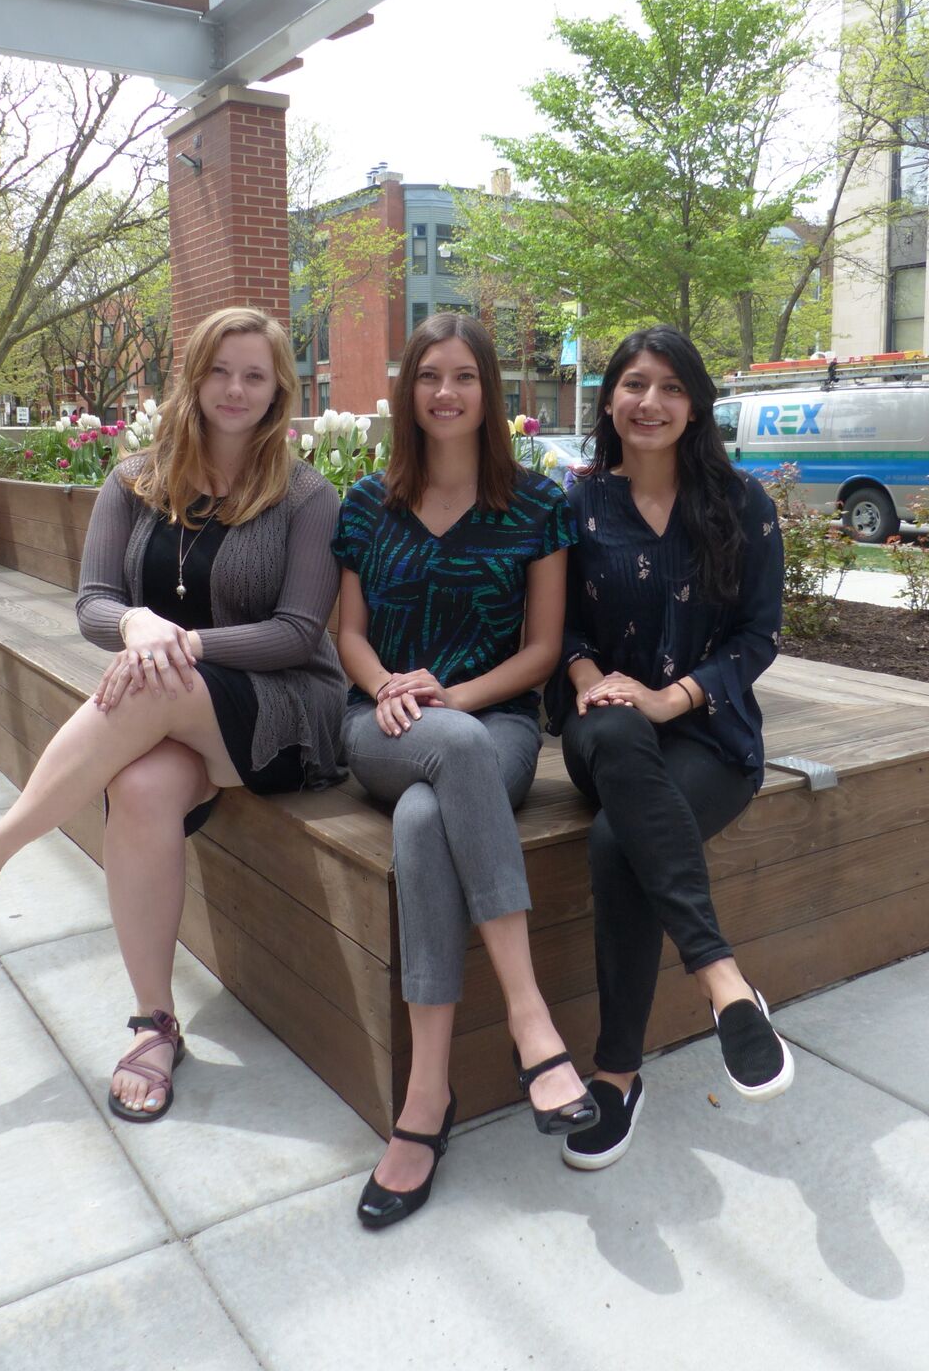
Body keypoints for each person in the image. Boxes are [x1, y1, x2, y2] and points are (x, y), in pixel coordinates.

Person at [0, 307, 345, 1124]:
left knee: (152, 681)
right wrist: (136, 624)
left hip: (286, 710)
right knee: (143, 789)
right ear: (193, 377)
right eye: (220, 370)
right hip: (167, 708)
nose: (235, 389)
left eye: (255, 376)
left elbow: (299, 633)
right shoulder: (133, 479)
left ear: (278, 391)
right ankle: (153, 1024)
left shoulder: (305, 495)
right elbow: (94, 603)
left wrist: (179, 641)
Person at [333, 312, 598, 1229]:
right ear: (409, 393)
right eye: (429, 376)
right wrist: (390, 693)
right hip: (381, 727)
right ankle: (532, 1018)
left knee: (422, 820)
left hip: (495, 724)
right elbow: (350, 633)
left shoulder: (539, 505)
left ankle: (426, 1100)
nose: (446, 392)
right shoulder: (368, 501)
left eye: (465, 376)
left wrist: (457, 695)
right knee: (446, 754)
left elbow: (544, 650)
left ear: (491, 391)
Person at [547, 325, 793, 1173]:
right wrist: (589, 680)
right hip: (602, 724)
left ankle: (615, 1074)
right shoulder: (574, 503)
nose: (650, 402)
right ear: (609, 399)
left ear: (695, 406)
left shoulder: (742, 503)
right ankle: (723, 979)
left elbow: (759, 636)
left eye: (670, 388)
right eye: (634, 384)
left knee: (621, 840)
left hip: (711, 739)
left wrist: (671, 697)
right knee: (616, 727)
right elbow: (563, 628)